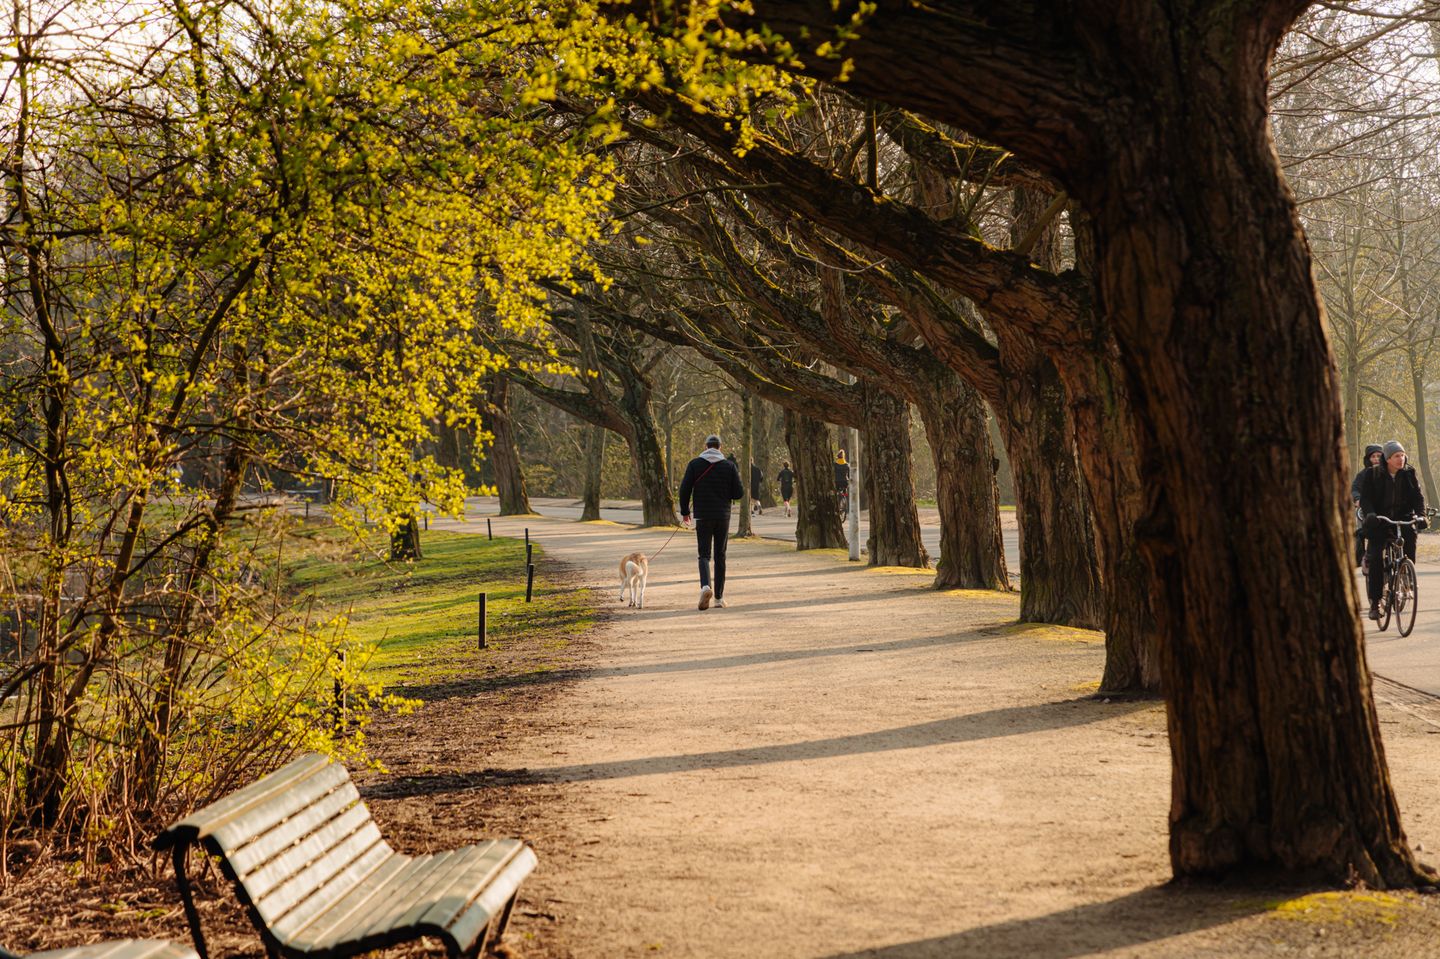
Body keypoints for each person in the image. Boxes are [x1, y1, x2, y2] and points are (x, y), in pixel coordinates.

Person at [1358, 439, 1426, 620]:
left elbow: (1418, 497)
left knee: (1410, 534)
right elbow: (1365, 499)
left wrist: (1421, 515)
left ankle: (1406, 573)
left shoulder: (1409, 474)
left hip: (1402, 518)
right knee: (1377, 558)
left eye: (1402, 455)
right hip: (1379, 521)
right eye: (1396, 456)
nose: (1401, 459)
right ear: (1387, 459)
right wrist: (1371, 514)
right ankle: (1375, 602)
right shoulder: (1373, 475)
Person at [678, 434, 744, 610]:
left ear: (706, 446)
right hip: (723, 516)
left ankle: (706, 586)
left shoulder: (694, 464)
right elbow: (739, 493)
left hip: (703, 515)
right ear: (720, 447)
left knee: (704, 555)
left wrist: (685, 512)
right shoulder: (729, 466)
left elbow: (684, 489)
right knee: (720, 555)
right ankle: (719, 598)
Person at [1351, 444, 1384, 567]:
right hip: (1367, 509)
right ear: (1368, 459)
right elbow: (1355, 489)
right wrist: (1358, 499)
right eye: (1373, 456)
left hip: (1385, 509)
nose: (1376, 459)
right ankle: (1365, 556)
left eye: (1379, 456)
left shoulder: (1388, 472)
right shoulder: (1363, 475)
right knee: (1368, 531)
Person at [834, 450, 851, 517]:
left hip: (837, 482)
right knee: (844, 490)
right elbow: (849, 475)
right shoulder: (847, 465)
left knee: (835, 492)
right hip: (845, 482)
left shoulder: (834, 464)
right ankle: (844, 496)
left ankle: (837, 505)